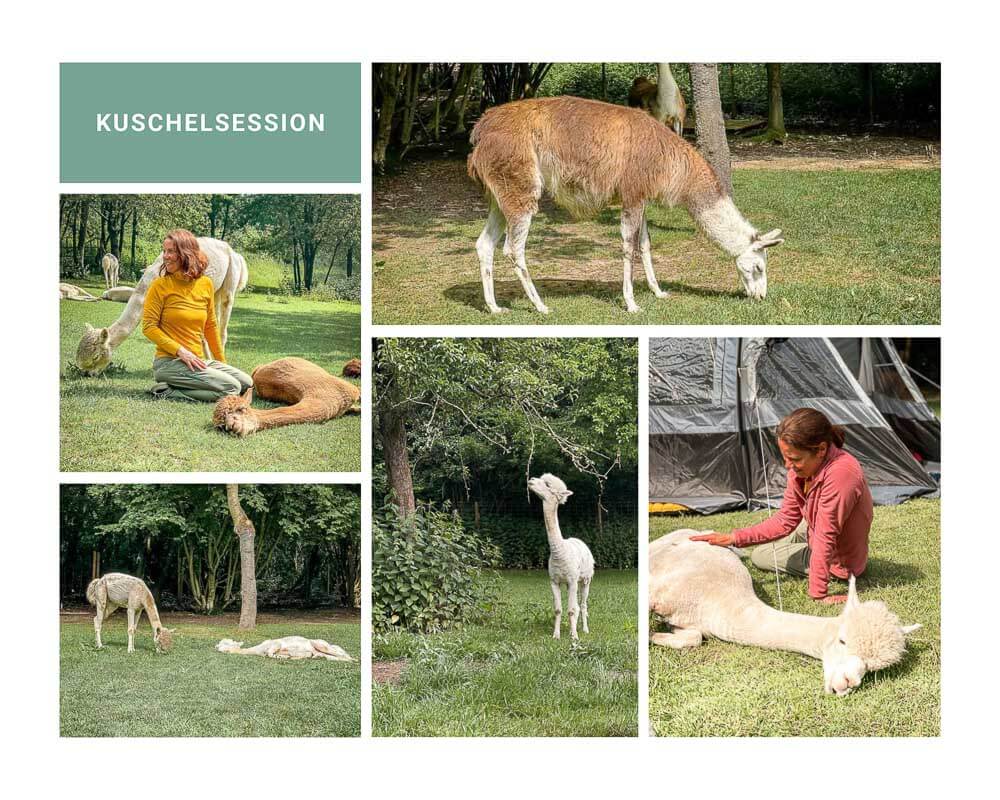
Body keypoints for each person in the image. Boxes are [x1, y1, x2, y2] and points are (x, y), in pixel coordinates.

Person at [690, 407, 873, 604]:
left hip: (840, 562)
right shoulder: (801, 472)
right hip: (815, 529)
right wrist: (735, 537)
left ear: (821, 449)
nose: (787, 466)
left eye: (794, 459)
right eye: (784, 457)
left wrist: (818, 594)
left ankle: (811, 559)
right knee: (795, 531)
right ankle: (793, 546)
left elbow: (825, 535)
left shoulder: (842, 473)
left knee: (760, 555)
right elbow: (786, 519)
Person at [141, 229, 252, 402]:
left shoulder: (205, 284)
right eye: (164, 251)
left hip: (198, 361)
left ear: (186, 254)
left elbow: (210, 326)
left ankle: (182, 385)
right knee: (232, 388)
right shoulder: (159, 286)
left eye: (171, 251)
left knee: (246, 383)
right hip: (169, 362)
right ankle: (166, 391)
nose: (165, 256)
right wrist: (181, 351)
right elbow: (148, 327)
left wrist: (222, 363)